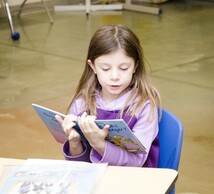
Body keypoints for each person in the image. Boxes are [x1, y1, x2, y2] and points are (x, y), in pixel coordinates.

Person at [55, 24, 161, 167]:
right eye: (105, 68)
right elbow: (81, 168)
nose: (115, 76)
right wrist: (74, 144)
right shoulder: (82, 103)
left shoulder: (144, 106)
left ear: (135, 66)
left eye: (124, 68)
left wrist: (99, 144)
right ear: (93, 67)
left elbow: (136, 162)